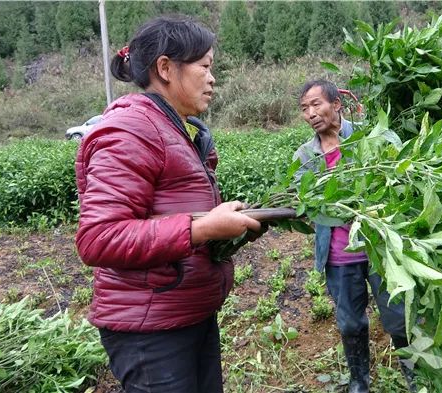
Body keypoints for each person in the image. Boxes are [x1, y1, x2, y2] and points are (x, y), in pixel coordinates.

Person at [74, 15, 262, 393]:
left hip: (184, 315)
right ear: (165, 68)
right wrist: (203, 228)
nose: (213, 79)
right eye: (205, 67)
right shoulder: (133, 129)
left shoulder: (175, 129)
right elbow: (98, 238)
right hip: (151, 332)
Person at [293, 80, 417, 393]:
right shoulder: (306, 155)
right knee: (349, 322)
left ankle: (417, 378)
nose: (311, 113)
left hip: (378, 248)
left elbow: (396, 180)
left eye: (316, 104)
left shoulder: (368, 137)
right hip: (339, 254)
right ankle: (359, 380)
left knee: (398, 319)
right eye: (305, 108)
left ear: (337, 104)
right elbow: (304, 199)